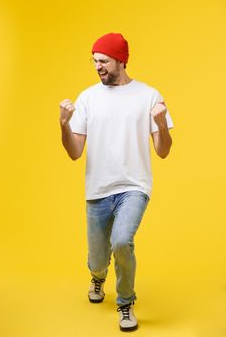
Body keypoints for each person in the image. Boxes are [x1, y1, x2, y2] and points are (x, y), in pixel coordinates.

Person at [59, 33, 173, 332]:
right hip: (98, 189)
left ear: (122, 60)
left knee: (122, 240)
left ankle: (125, 303)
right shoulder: (88, 97)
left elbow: (162, 151)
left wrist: (160, 122)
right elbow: (74, 153)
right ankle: (98, 277)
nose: (98, 66)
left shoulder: (148, 95)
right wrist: (62, 125)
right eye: (95, 61)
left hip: (134, 186)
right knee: (98, 259)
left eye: (104, 61)